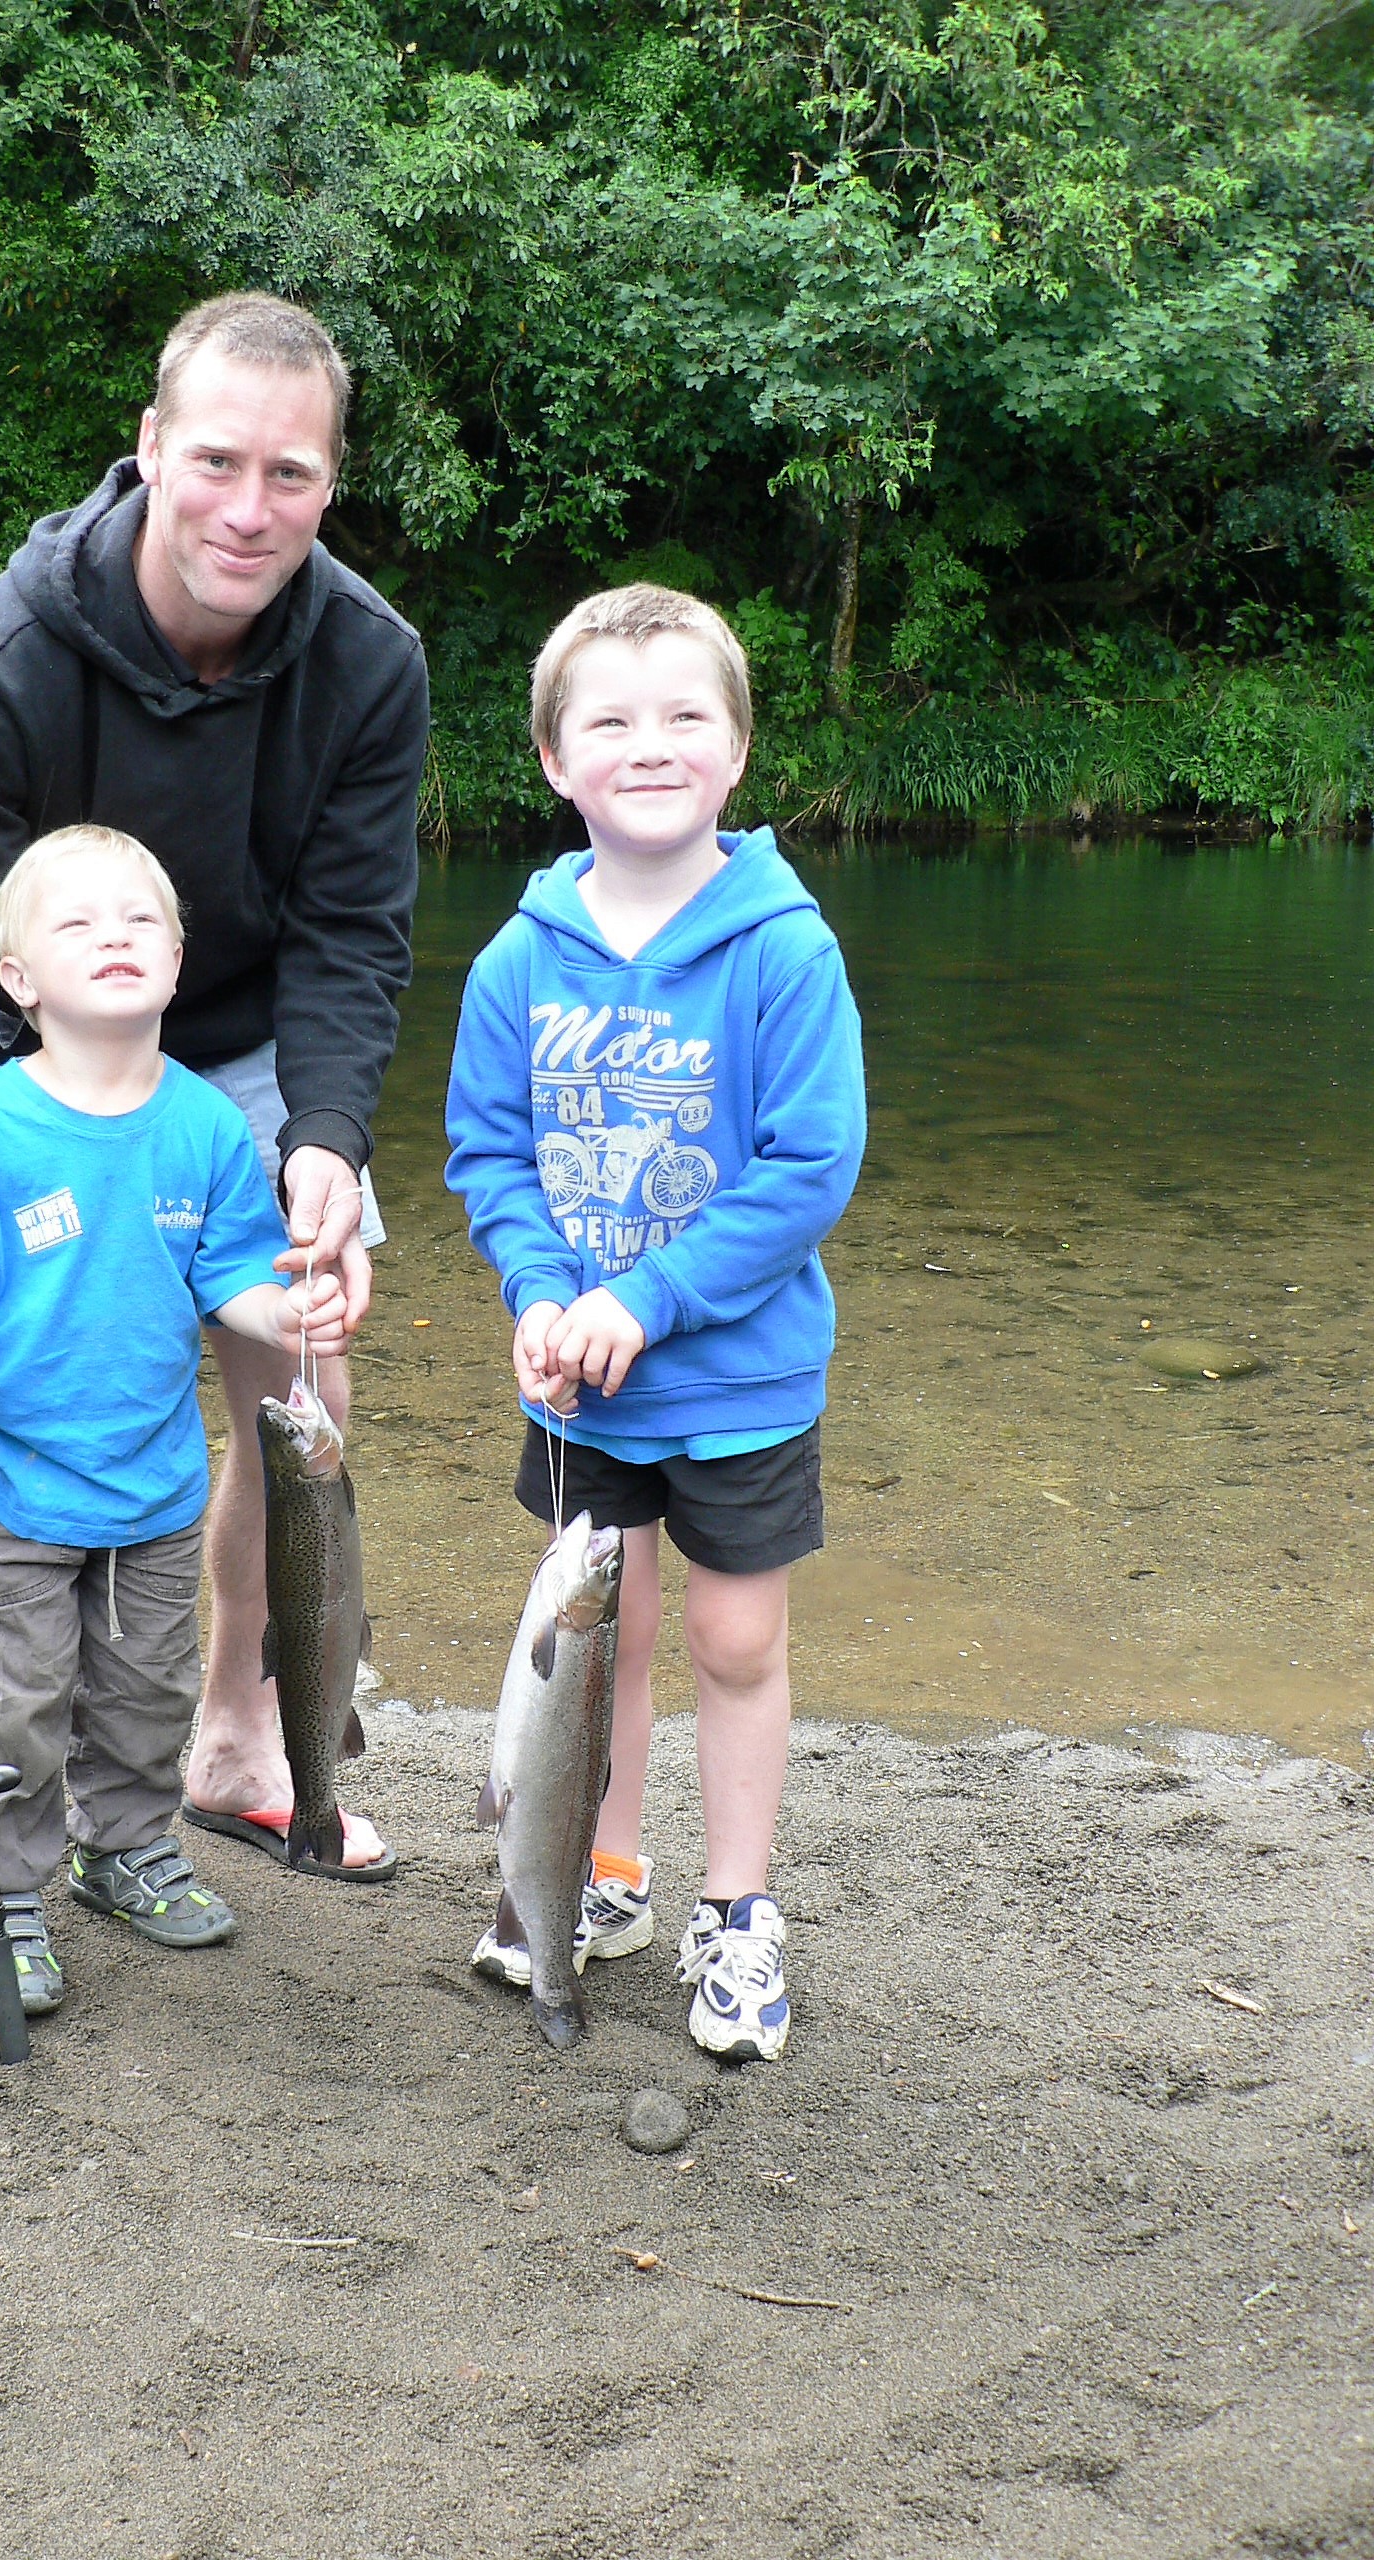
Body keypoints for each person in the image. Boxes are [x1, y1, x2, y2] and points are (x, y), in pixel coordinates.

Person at [0, 292, 425, 1877]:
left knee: (308, 1375)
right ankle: (8, 1736)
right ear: (150, 447)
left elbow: (355, 941)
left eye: (291, 475)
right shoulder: (3, 659)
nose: (250, 509)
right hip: (13, 1052)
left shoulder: (370, 663)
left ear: (331, 481)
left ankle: (237, 1732)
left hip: (235, 1052)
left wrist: (327, 1144)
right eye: (218, 460)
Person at [443, 584, 866, 2058]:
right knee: (594, 1639)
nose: (650, 742)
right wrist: (545, 1292)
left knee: (734, 1641)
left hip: (743, 1379)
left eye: (687, 714)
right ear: (555, 760)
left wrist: (650, 1293)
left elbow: (811, 1170)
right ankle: (595, 1871)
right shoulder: (516, 962)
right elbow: (488, 1153)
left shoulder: (783, 951)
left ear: (737, 751)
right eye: (610, 719)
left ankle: (737, 1910)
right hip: (582, 1390)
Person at [0, 826, 351, 2013]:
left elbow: (228, 1272)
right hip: (16, 1491)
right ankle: (7, 1896)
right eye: (77, 926)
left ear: (181, 963)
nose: (114, 940)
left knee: (145, 1696)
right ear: (18, 980)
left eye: (140, 923)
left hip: (157, 1493)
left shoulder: (204, 1125)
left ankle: (122, 1846)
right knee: (17, 1709)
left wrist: (298, 1302)